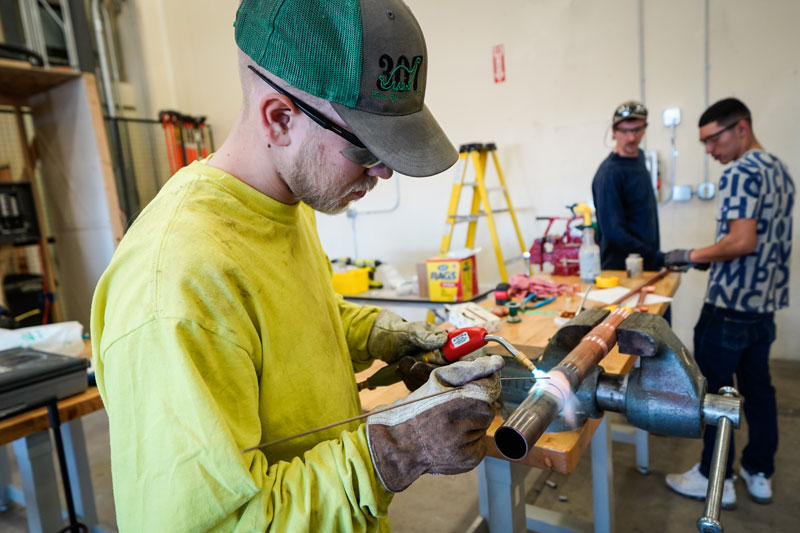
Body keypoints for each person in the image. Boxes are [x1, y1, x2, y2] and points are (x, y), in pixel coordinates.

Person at [90, 1, 504, 530]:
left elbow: (286, 317)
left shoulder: (283, 204)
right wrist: (395, 450)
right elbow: (217, 523)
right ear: (280, 118)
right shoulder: (177, 283)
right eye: (365, 148)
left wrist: (380, 333)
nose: (384, 171)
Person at [664, 97, 793, 508]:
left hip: (729, 308)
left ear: (741, 127)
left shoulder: (740, 171)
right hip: (763, 306)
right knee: (759, 390)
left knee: (717, 397)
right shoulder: (780, 170)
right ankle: (759, 472)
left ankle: (712, 475)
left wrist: (689, 256)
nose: (709, 150)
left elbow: (741, 241)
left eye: (712, 139)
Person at [591, 101, 664, 271]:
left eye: (637, 130)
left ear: (644, 128)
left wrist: (654, 258)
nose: (631, 138)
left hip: (645, 264)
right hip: (621, 271)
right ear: (614, 132)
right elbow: (613, 232)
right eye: (625, 131)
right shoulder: (609, 173)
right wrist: (658, 257)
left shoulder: (638, 158)